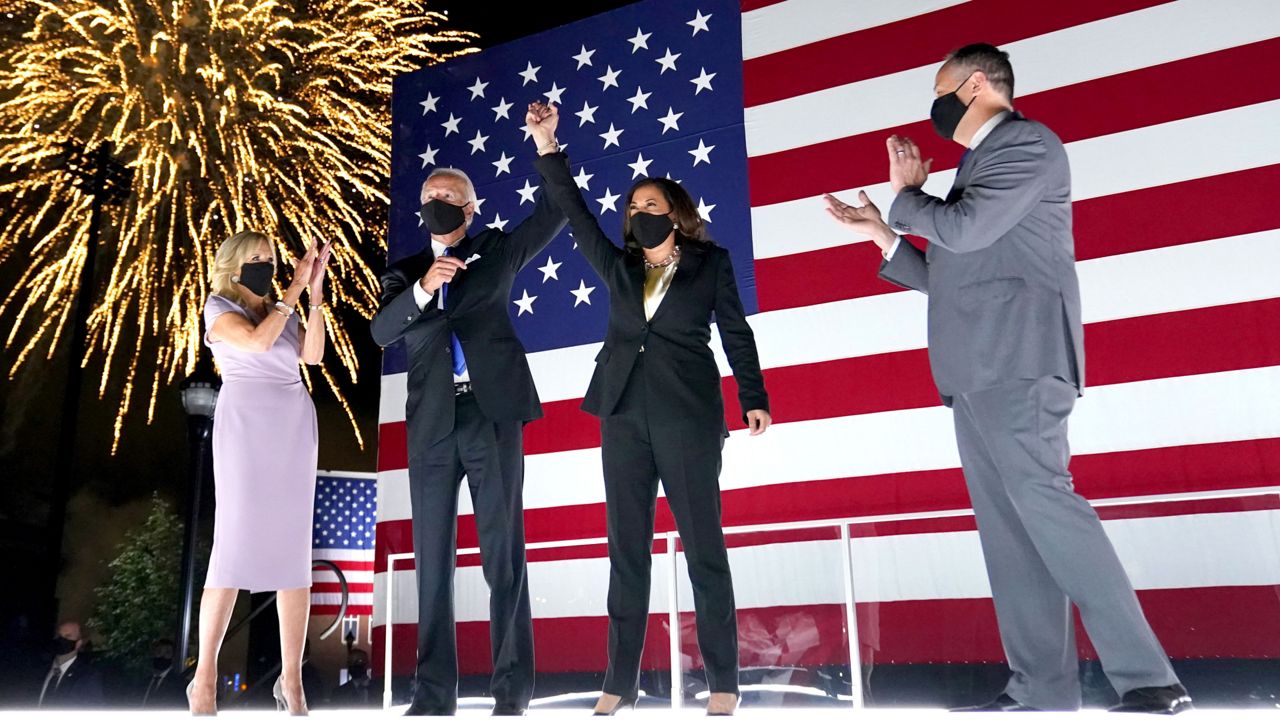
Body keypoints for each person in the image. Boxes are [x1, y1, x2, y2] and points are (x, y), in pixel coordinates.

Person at [822, 43, 1191, 714]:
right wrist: (886, 234)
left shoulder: (1027, 145)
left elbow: (963, 232)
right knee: (1011, 539)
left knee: (1050, 511)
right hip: (975, 371)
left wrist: (908, 198)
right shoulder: (977, 167)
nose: (935, 108)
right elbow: (954, 276)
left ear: (979, 85)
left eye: (941, 91)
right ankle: (1041, 690)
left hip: (1019, 363)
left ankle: (1149, 681)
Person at [528, 101, 770, 717]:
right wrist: (548, 147)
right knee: (625, 551)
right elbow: (576, 212)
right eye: (633, 208)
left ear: (677, 216)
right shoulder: (618, 265)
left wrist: (753, 398)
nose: (638, 214)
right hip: (622, 417)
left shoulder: (710, 264)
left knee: (704, 549)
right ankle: (618, 683)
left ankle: (723, 684)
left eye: (651, 207)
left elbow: (736, 333)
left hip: (688, 417)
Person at [369, 102, 569, 717]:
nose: (440, 201)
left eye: (452, 195)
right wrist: (427, 287)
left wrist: (545, 144)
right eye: (431, 194)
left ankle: (511, 692)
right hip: (430, 429)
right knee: (432, 560)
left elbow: (558, 212)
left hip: (491, 414)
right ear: (419, 207)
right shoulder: (404, 272)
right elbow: (382, 334)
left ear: (471, 208)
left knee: (502, 555)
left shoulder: (497, 251)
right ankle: (433, 696)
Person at [189, 230, 331, 716]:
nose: (266, 266)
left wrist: (313, 295)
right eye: (256, 259)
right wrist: (292, 290)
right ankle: (204, 675)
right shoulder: (217, 309)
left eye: (270, 259)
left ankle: (291, 680)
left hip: (292, 424)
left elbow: (311, 356)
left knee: (294, 553)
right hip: (245, 426)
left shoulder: (283, 308)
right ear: (232, 264)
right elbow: (255, 342)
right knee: (232, 546)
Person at [37, 621, 102, 708]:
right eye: (59, 636)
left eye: (68, 636)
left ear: (78, 643)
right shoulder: (41, 668)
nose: (62, 640)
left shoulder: (87, 675)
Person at [140, 638, 186, 708]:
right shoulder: (143, 682)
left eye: (167, 653)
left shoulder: (179, 685)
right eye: (159, 652)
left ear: (173, 657)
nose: (162, 656)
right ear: (153, 654)